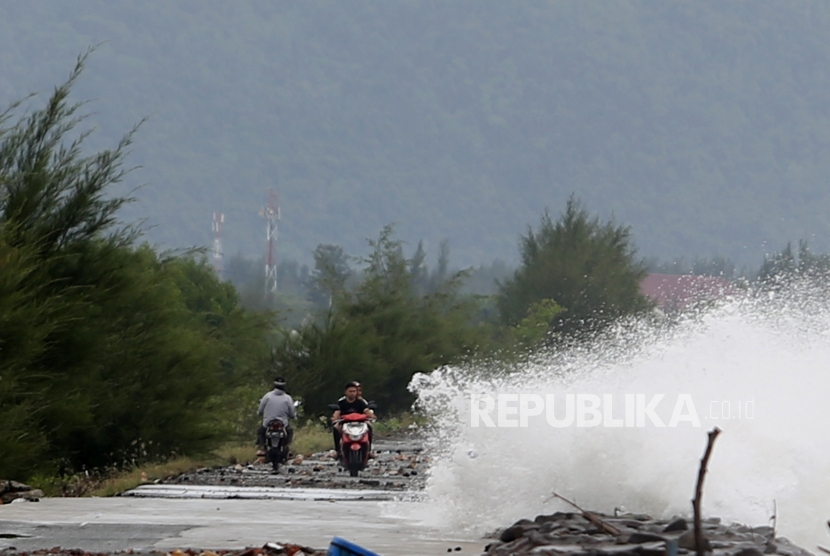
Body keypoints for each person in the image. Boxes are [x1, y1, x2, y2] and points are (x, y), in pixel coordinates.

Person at [332, 381, 375, 455]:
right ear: (346, 392)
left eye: (354, 391)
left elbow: (366, 410)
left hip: (360, 422)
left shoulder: (361, 402)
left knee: (369, 426)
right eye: (350, 391)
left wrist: (372, 416)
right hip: (345, 422)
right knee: (335, 428)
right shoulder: (341, 402)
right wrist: (334, 419)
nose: (352, 393)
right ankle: (338, 450)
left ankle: (369, 450)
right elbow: (337, 411)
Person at [257, 377, 297, 456]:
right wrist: (293, 416)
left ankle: (262, 448)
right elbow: (292, 413)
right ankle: (287, 447)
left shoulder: (267, 396)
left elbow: (260, 410)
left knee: (261, 432)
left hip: (268, 422)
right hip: (283, 423)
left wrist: (260, 413)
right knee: (289, 431)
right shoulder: (287, 398)